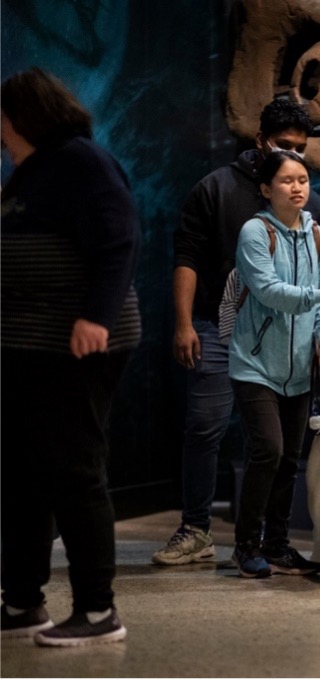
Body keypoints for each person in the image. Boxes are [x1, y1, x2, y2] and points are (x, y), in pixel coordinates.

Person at [155, 99, 320, 565]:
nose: (294, 159)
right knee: (206, 428)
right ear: (260, 142)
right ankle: (197, 528)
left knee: (282, 451)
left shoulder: (315, 211)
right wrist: (184, 322)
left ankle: (272, 542)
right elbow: (188, 256)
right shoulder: (216, 189)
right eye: (283, 146)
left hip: (290, 342)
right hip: (220, 328)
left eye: (301, 151)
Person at [0, 67, 141, 645]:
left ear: (18, 117)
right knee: (22, 474)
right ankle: (22, 601)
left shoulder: (80, 161)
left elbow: (120, 238)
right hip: (29, 346)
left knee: (75, 470)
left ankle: (97, 610)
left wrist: (96, 317)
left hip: (76, 342)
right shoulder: (28, 174)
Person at [228, 150, 320, 578]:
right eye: (286, 181)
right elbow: (270, 291)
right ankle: (245, 545)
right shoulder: (255, 233)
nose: (298, 187)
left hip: (300, 370)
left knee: (288, 458)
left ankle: (277, 544)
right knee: (268, 450)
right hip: (255, 365)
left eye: (303, 179)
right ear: (265, 189)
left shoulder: (319, 238)